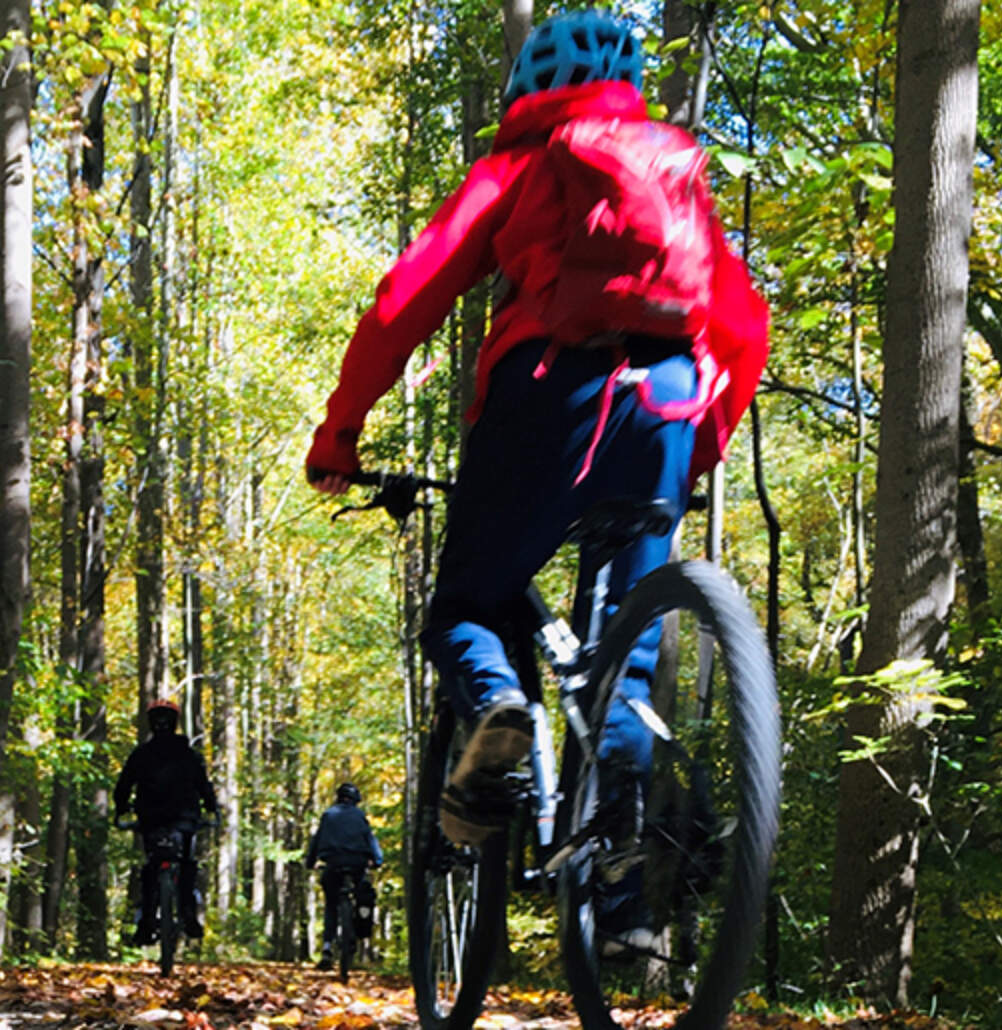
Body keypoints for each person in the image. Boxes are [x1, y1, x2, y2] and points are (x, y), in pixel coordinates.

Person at [305, 10, 768, 948]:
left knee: (467, 604)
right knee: (626, 661)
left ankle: (495, 703)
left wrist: (342, 430)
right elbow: (741, 321)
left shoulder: (519, 164)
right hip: (671, 402)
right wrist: (697, 444)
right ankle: (624, 894)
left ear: (527, 87)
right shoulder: (673, 168)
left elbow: (409, 294)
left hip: (551, 391)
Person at [114, 698, 220, 944]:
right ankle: (188, 912)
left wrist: (121, 809)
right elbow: (204, 787)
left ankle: (145, 921)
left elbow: (123, 787)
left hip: (150, 820)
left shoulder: (141, 755)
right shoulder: (189, 755)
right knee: (186, 864)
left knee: (151, 864)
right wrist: (212, 809)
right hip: (185, 820)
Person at [304, 782, 384, 970]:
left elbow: (316, 841)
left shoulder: (328, 815)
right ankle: (357, 931)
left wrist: (310, 862)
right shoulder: (360, 816)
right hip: (357, 864)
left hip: (332, 863)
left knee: (331, 904)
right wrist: (377, 860)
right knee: (361, 894)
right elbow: (370, 839)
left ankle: (327, 947)